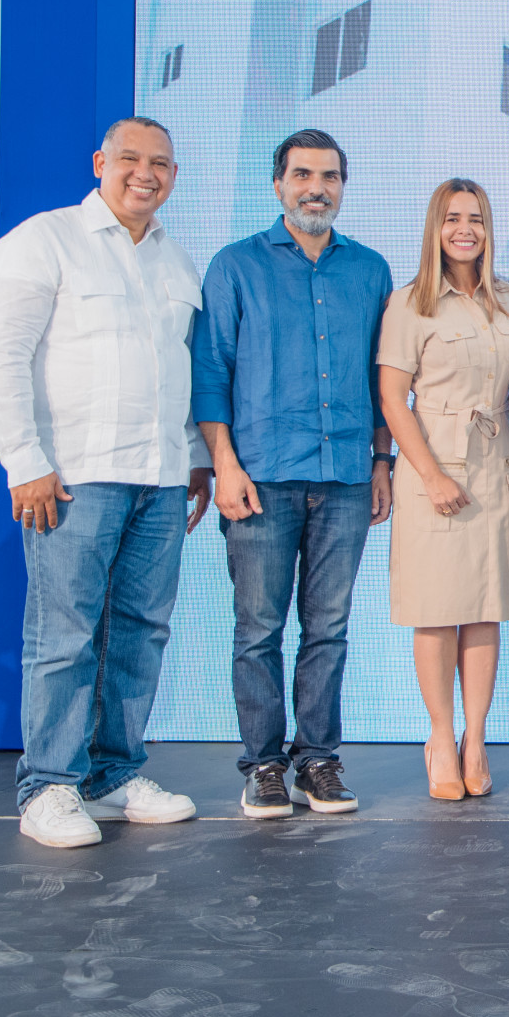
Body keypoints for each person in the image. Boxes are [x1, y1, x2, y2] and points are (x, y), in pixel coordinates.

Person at [0, 117, 211, 848]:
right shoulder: (44, 241)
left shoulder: (177, 261)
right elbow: (2, 360)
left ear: (174, 176)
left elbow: (179, 369)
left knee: (141, 632)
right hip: (74, 476)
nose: (146, 173)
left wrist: (194, 456)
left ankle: (113, 775)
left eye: (161, 163)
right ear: (100, 162)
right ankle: (49, 785)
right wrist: (25, 462)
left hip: (160, 479)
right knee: (65, 635)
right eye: (131, 159)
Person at [193, 128, 394, 819]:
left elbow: (382, 377)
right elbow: (211, 372)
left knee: (328, 627)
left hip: (345, 476)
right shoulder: (235, 265)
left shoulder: (369, 270)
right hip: (260, 479)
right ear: (278, 184)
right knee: (258, 629)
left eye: (329, 176)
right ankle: (263, 765)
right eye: (303, 175)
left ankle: (317, 760)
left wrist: (381, 461)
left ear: (343, 187)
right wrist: (223, 465)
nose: (316, 188)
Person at [377, 179, 509, 801]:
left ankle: (476, 738)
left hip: (497, 463)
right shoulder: (409, 301)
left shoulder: (508, 299)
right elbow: (392, 398)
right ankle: (440, 736)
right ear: (434, 228)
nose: (465, 230)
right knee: (437, 609)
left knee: (486, 606)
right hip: (433, 463)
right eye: (453, 218)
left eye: (477, 219)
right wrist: (432, 475)